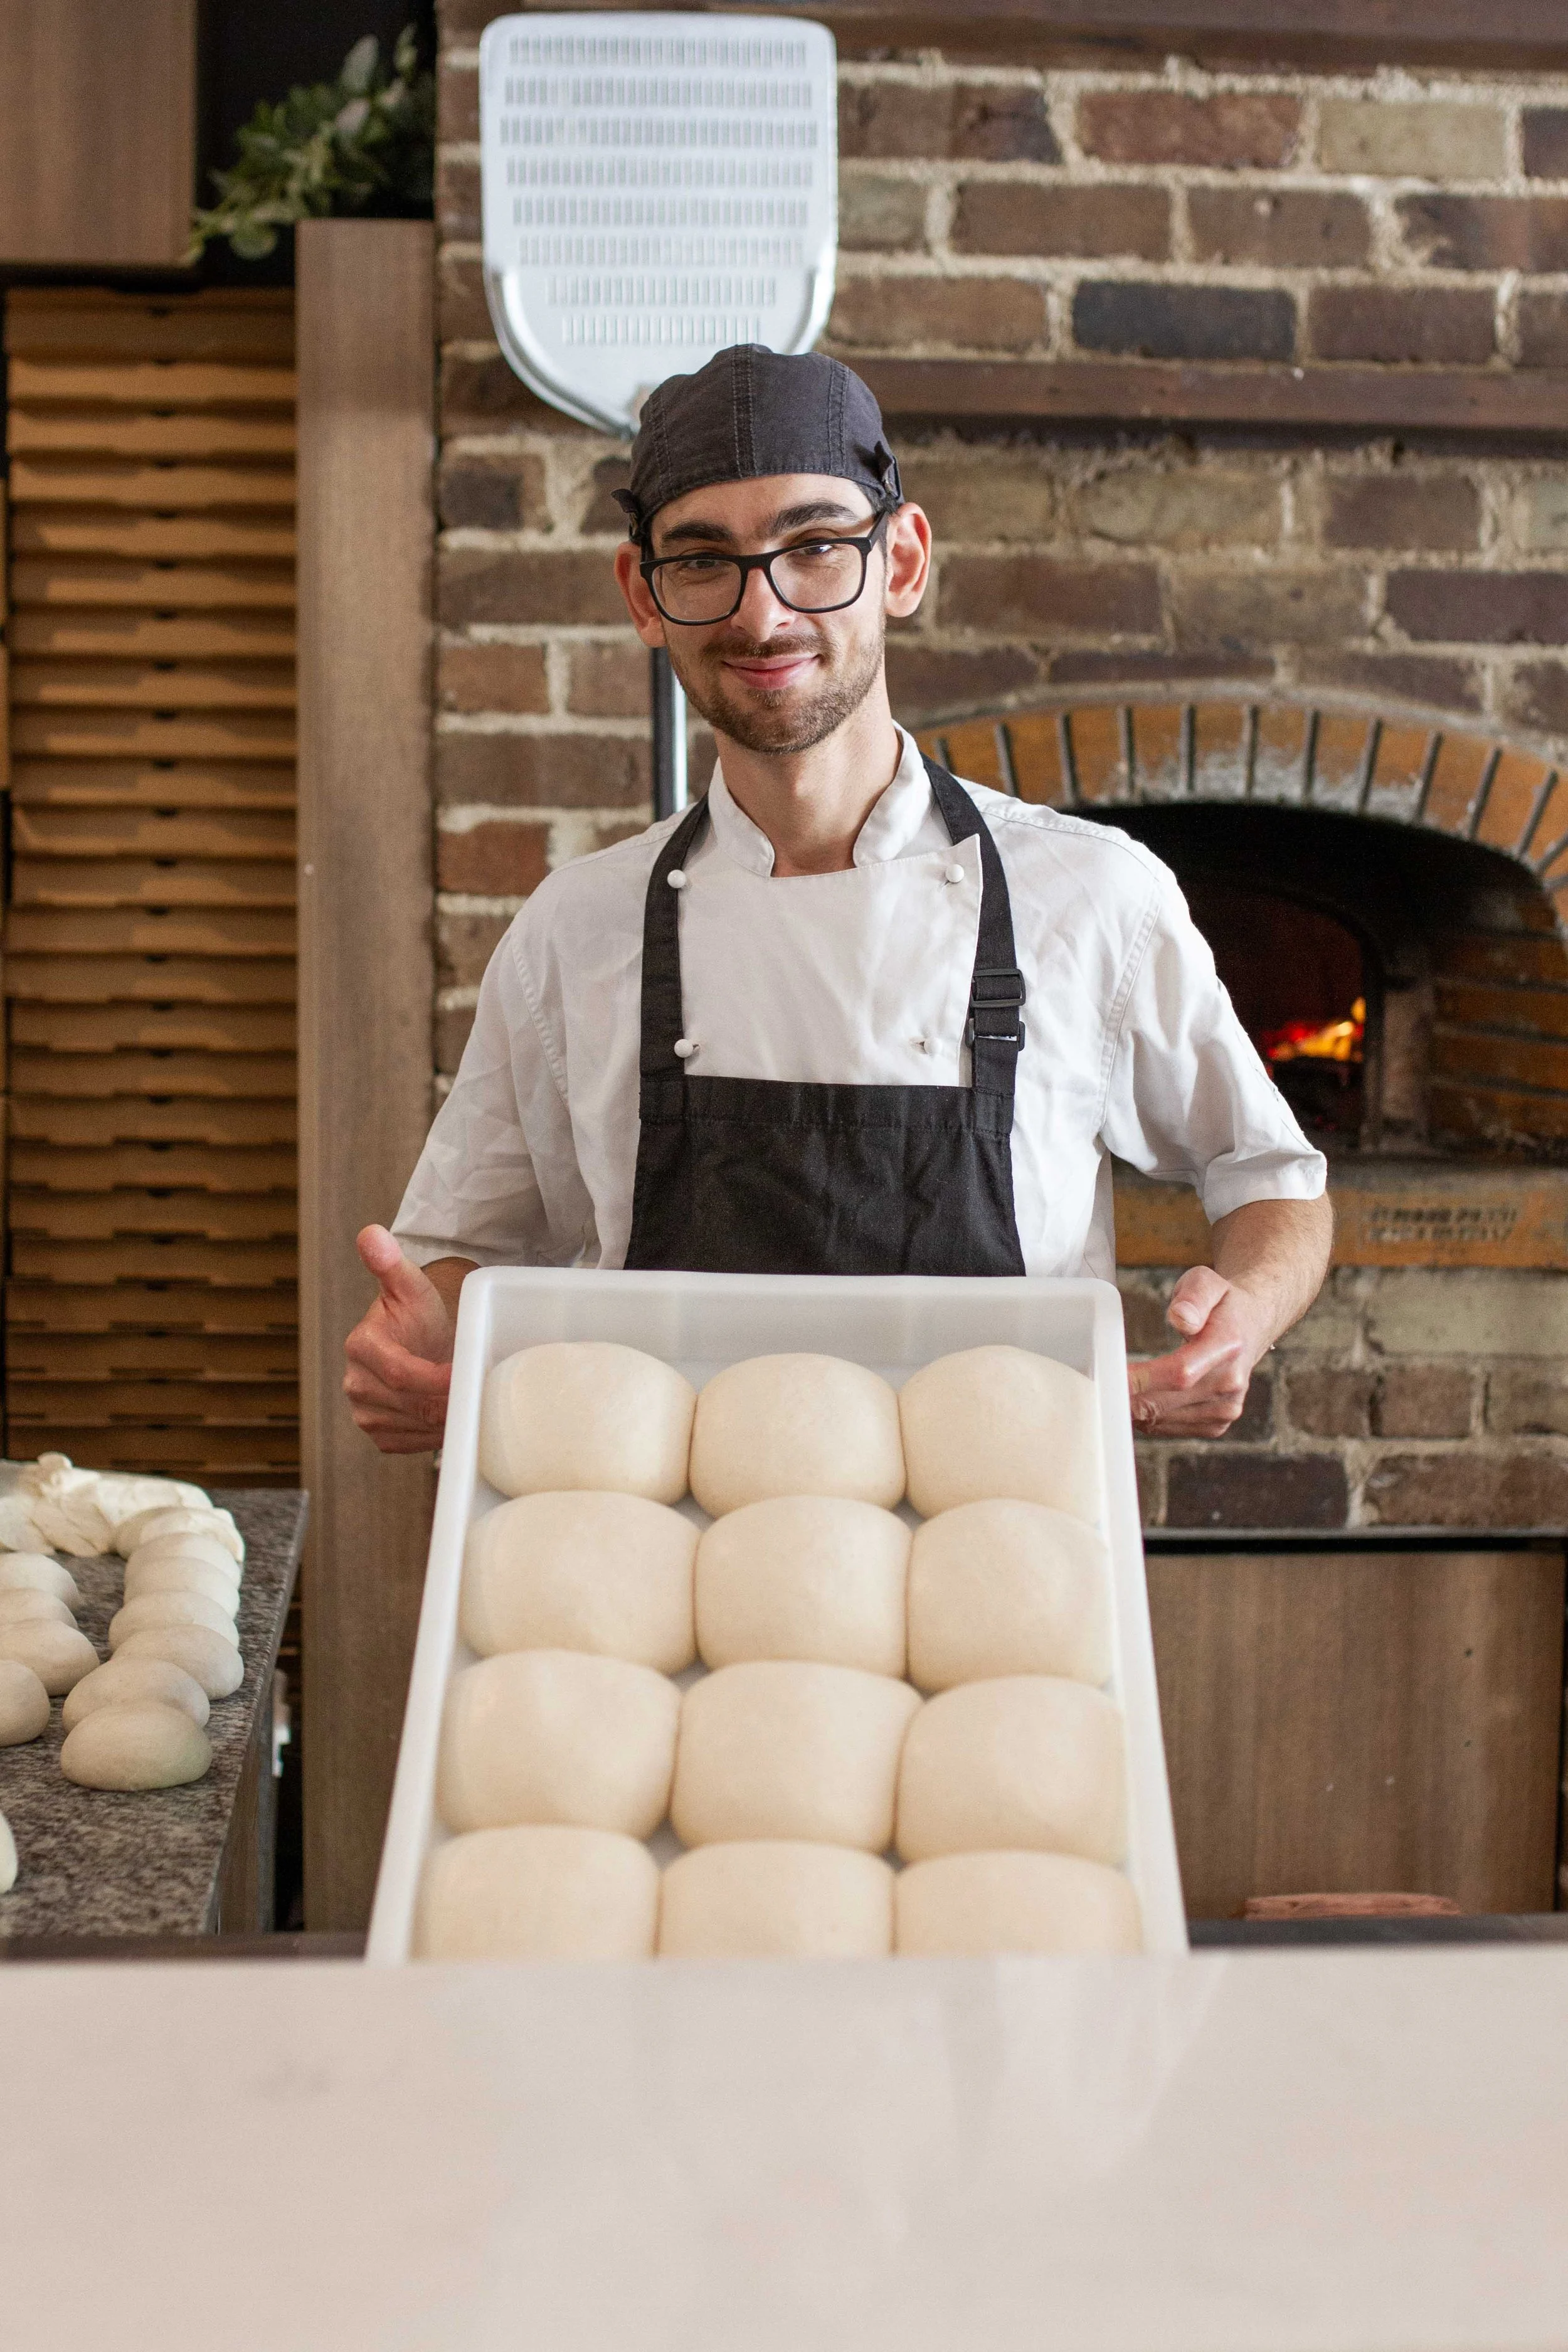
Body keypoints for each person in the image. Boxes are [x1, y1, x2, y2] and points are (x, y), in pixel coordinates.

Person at [344, 346, 1332, 1453]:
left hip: (1002, 1534)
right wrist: (441, 1350)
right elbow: (463, 1245)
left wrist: (1241, 1315)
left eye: (815, 547)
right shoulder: (574, 930)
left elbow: (1272, 1178)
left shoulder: (1093, 896)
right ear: (643, 595)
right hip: (652, 1548)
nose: (762, 615)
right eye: (705, 561)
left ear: (901, 560)